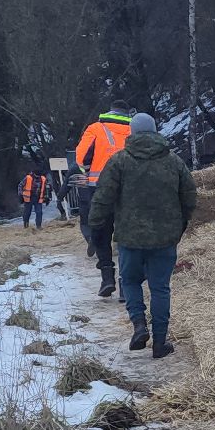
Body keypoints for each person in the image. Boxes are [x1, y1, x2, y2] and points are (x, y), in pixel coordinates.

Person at [88, 112, 197, 359]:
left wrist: (96, 226)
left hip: (130, 238)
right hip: (165, 238)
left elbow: (103, 197)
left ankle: (138, 324)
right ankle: (160, 343)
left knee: (130, 281)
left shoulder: (119, 162)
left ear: (132, 133)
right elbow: (190, 196)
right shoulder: (174, 162)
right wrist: (182, 223)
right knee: (160, 288)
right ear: (156, 131)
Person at [75, 105, 134, 295]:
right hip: (129, 190)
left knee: (101, 233)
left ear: (110, 111)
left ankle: (107, 277)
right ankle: (126, 283)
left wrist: (89, 171)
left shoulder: (95, 128)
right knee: (127, 234)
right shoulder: (135, 130)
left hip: (99, 189)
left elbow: (81, 157)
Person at [19, 163, 52, 230]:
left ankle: (39, 226)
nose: (38, 176)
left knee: (39, 212)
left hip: (38, 198)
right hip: (28, 198)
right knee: (27, 212)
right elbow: (20, 185)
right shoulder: (28, 178)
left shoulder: (43, 179)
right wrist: (21, 195)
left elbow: (47, 188)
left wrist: (47, 197)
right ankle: (26, 225)